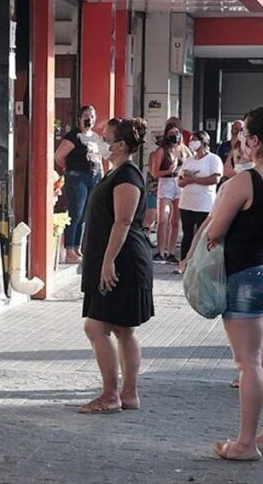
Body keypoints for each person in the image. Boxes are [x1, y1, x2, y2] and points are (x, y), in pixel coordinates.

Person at [196, 106, 263, 461]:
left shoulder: (244, 182)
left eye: (244, 137)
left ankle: (245, 444)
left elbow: (215, 231)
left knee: (248, 364)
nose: (241, 143)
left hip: (247, 277)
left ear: (254, 141)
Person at [79, 117, 154, 414]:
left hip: (124, 260)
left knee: (96, 327)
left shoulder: (127, 177)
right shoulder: (116, 173)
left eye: (105, 137)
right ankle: (128, 394)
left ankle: (111, 394)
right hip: (113, 257)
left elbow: (123, 221)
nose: (100, 141)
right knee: (123, 328)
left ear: (120, 145)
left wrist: (108, 261)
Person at [55, 105, 103, 263]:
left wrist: (101, 176)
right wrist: (70, 169)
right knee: (75, 213)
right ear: (80, 118)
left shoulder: (95, 137)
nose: (90, 119)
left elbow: (99, 158)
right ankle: (69, 250)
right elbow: (59, 156)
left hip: (93, 177)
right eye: (87, 116)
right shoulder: (74, 136)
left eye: (92, 116)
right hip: (77, 177)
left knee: (84, 215)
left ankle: (77, 248)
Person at [176, 131, 223, 274]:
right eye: (191, 140)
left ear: (203, 142)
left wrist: (195, 179)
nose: (192, 142)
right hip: (187, 202)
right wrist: (186, 179)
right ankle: (184, 263)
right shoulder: (189, 160)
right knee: (187, 234)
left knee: (203, 235)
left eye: (195, 140)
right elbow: (180, 181)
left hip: (204, 204)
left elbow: (215, 179)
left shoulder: (213, 159)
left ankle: (202, 264)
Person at [150, 122, 189, 263]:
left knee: (175, 221)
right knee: (163, 219)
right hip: (166, 182)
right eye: (171, 134)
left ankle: (171, 252)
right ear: (166, 135)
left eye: (176, 133)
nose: (174, 136)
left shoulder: (183, 149)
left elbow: (192, 161)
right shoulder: (162, 150)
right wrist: (168, 170)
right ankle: (160, 251)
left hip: (179, 183)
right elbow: (154, 173)